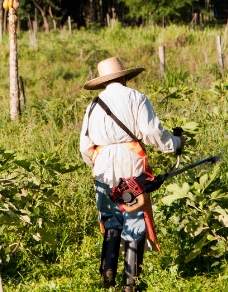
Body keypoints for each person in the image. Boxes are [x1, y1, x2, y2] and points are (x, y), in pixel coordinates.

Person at [79, 56, 184, 291]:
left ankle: (108, 274)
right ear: (125, 76)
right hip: (131, 160)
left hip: (103, 163)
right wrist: (175, 143)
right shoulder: (136, 97)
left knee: (110, 217)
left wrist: (97, 163)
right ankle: (130, 283)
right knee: (134, 216)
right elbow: (152, 133)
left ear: (104, 81)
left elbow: (84, 146)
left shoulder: (94, 105)